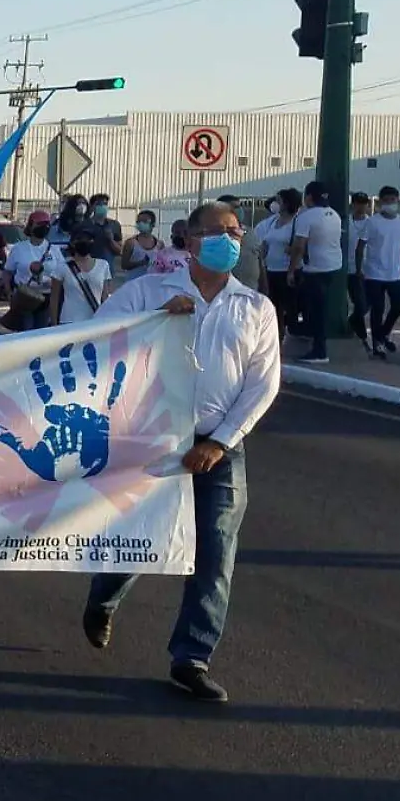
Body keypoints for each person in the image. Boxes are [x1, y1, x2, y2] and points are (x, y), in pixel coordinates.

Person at [83, 201, 280, 703]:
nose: (230, 240)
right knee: (144, 537)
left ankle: (192, 656)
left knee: (214, 553)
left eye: (236, 232)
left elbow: (262, 385)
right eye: (218, 232)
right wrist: (154, 321)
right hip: (151, 438)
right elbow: (95, 341)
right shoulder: (148, 292)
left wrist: (220, 442)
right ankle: (105, 596)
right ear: (190, 242)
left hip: (219, 445)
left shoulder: (255, 308)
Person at [287, 180, 342, 364]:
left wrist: (291, 270)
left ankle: (319, 351)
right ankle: (311, 338)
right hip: (332, 267)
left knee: (315, 311)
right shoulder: (334, 214)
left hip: (314, 269)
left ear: (309, 197)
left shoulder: (307, 217)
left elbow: (299, 247)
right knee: (318, 308)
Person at [358, 186, 400, 358]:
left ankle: (384, 333)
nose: (390, 204)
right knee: (377, 308)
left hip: (395, 273)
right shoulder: (372, 222)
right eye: (386, 201)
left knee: (399, 305)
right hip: (374, 273)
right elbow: (361, 246)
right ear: (380, 202)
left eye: (393, 200)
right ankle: (377, 344)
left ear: (398, 200)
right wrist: (360, 268)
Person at [2, 211, 61, 333]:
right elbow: (7, 272)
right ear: (31, 226)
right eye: (40, 224)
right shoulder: (19, 248)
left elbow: (61, 273)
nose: (44, 227)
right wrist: (9, 293)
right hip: (24, 298)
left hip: (45, 298)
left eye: (46, 224)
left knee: (41, 333)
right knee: (25, 332)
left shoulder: (54, 250)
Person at [255, 189, 301, 338]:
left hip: (287, 272)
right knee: (274, 309)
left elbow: (301, 246)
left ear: (287, 203)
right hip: (270, 271)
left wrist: (291, 269)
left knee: (291, 307)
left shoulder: (297, 222)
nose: (275, 204)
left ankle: (292, 331)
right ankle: (277, 338)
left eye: (279, 200)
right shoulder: (273, 222)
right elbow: (265, 244)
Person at [51, 232, 113, 324]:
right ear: (73, 243)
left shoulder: (103, 265)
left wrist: (106, 320)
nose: (84, 242)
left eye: (88, 239)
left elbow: (105, 296)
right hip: (69, 321)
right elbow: (54, 298)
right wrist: (54, 323)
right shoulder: (62, 267)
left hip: (94, 320)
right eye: (80, 239)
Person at [344, 192, 373, 343]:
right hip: (348, 268)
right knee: (359, 302)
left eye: (364, 203)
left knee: (366, 303)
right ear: (353, 204)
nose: (361, 206)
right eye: (358, 203)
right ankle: (359, 332)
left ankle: (352, 324)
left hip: (367, 268)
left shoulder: (371, 223)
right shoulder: (346, 222)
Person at [119, 210, 165, 283]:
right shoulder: (130, 243)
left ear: (153, 224)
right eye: (138, 221)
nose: (141, 223)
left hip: (152, 284)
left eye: (144, 221)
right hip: (133, 283)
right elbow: (124, 265)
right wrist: (141, 263)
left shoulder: (160, 244)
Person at [82, 193, 124, 271]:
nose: (102, 207)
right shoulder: (84, 225)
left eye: (105, 204)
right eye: (98, 204)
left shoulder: (115, 225)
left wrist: (111, 239)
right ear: (92, 207)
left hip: (108, 269)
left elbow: (119, 251)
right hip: (88, 269)